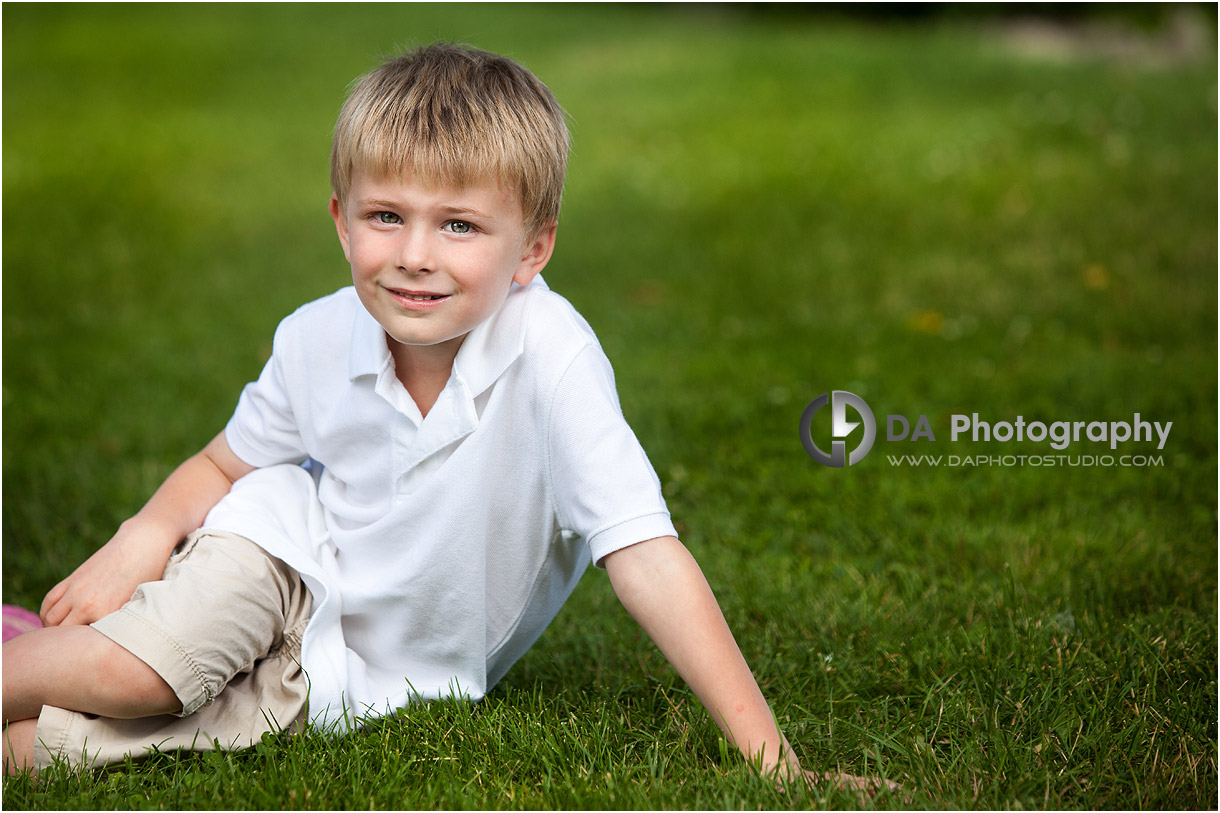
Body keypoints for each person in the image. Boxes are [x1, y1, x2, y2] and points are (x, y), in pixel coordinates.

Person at [2, 43, 891, 794]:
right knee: (136, 674)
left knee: (42, 753)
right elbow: (225, 465)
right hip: (279, 556)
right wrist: (143, 533)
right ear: (341, 222)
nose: (415, 257)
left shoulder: (554, 357)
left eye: (460, 225)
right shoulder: (316, 338)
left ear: (532, 249)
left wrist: (778, 765)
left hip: (360, 676)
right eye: (386, 216)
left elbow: (646, 555)